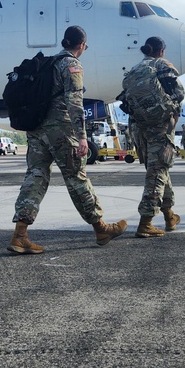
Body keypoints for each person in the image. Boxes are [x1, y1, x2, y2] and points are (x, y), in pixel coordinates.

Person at [9, 25, 127, 253]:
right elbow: (74, 103)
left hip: (36, 130)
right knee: (76, 177)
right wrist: (82, 137)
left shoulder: (49, 63)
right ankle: (101, 228)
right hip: (60, 131)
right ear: (81, 45)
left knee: (36, 177)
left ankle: (19, 235)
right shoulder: (71, 64)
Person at [121, 36, 185, 237]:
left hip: (140, 128)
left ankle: (169, 215)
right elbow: (179, 93)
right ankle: (146, 221)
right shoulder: (162, 65)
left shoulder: (133, 70)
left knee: (159, 169)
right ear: (161, 51)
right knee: (157, 174)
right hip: (160, 127)